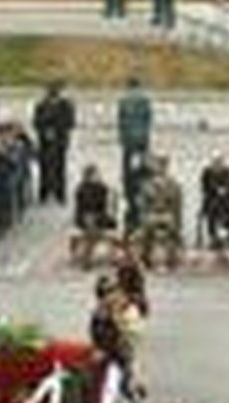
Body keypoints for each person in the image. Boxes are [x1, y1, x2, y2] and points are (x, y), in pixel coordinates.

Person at [88, 277, 137, 403]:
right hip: (108, 367)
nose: (117, 295)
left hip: (113, 365)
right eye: (112, 292)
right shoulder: (102, 315)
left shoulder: (110, 313)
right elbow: (106, 344)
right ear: (104, 295)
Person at [116, 78, 152, 227]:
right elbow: (148, 119)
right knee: (142, 167)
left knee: (127, 168)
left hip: (128, 140)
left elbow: (121, 120)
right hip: (142, 139)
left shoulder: (123, 100)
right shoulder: (145, 100)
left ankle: (128, 189)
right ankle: (142, 188)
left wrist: (122, 137)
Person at [137, 155, 183, 271]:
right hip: (153, 213)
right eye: (159, 165)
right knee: (148, 229)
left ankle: (171, 260)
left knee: (171, 230)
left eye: (163, 165)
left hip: (167, 213)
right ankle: (146, 258)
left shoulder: (173, 184)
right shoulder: (148, 184)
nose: (161, 168)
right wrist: (144, 216)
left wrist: (178, 222)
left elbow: (177, 205)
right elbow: (143, 204)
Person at [33, 81, 76, 205]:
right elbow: (36, 122)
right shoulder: (41, 105)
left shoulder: (66, 105)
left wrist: (58, 131)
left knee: (60, 167)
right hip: (45, 142)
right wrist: (45, 131)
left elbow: (70, 122)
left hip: (60, 140)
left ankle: (59, 193)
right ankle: (44, 193)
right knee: (45, 167)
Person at [72, 165, 116, 268]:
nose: (97, 177)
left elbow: (103, 205)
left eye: (97, 174)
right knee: (90, 223)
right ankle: (87, 257)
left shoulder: (102, 188)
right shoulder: (82, 189)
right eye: (94, 175)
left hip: (99, 216)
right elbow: (86, 205)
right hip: (84, 216)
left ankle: (88, 254)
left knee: (94, 225)